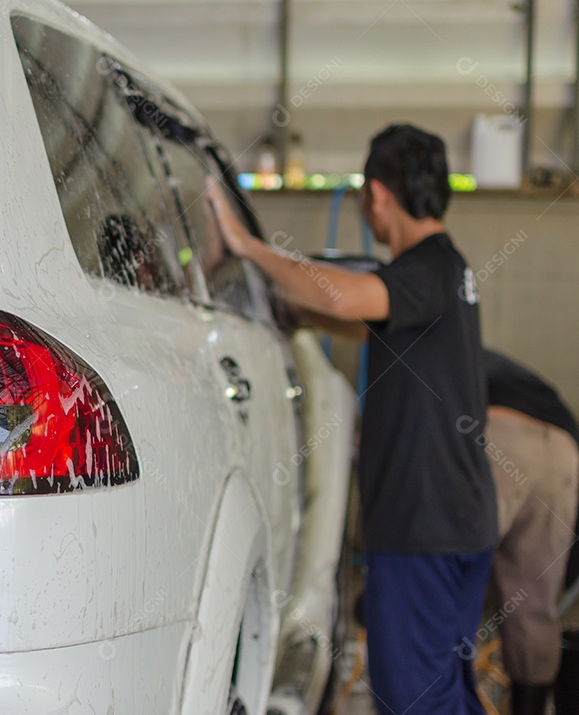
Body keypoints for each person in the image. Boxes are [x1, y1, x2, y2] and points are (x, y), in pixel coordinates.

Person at [208, 124, 497, 714]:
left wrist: (248, 247)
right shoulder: (447, 272)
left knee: (412, 696)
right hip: (458, 522)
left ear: (380, 196)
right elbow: (370, 325)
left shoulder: (424, 268)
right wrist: (295, 314)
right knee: (442, 690)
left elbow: (347, 298)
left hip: (424, 529)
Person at [478, 349, 579, 715]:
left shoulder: (430, 354)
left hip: (499, 434)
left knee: (452, 581)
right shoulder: (495, 360)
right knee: (533, 604)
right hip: (562, 449)